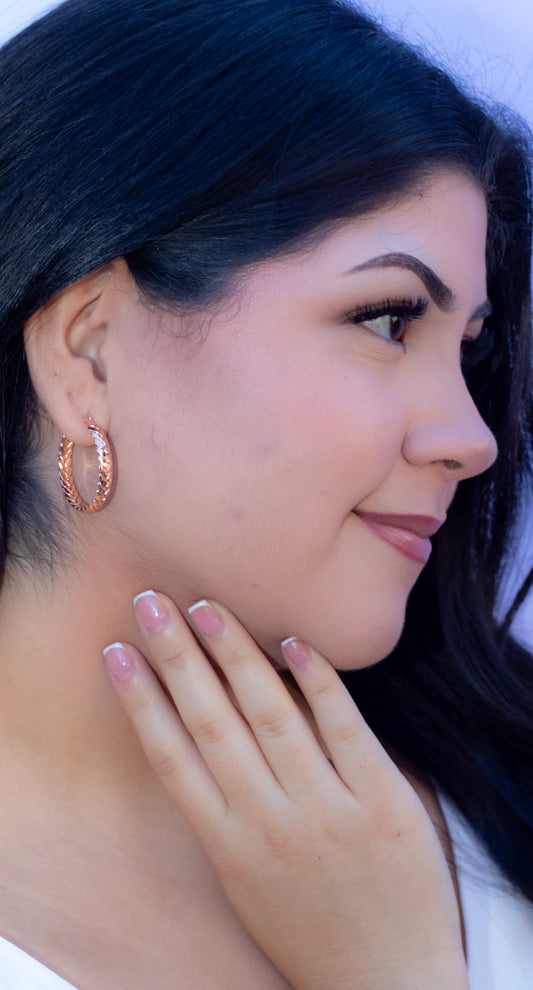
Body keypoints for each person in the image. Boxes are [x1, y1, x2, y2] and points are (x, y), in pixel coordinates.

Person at [0, 0, 531, 986]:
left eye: (469, 349)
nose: (470, 440)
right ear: (89, 354)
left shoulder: (500, 795)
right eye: (383, 319)